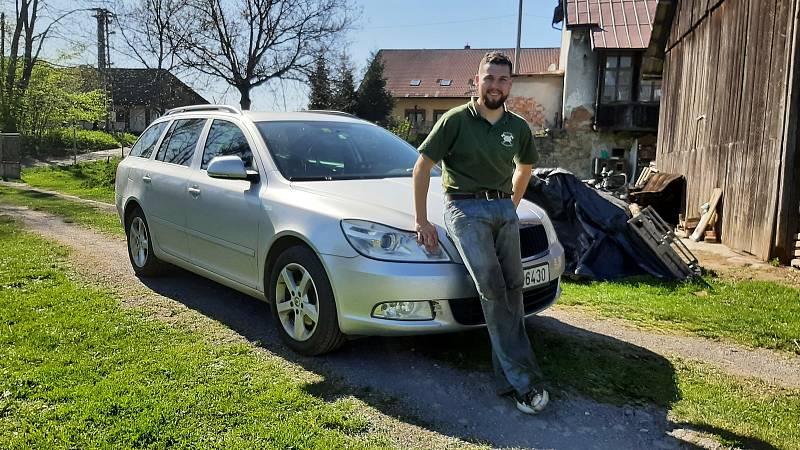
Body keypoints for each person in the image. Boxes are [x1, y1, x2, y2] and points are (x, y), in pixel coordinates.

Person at [412, 51, 548, 415]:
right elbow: (422, 166)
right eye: (488, 78)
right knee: (491, 287)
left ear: (510, 85)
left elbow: (526, 166)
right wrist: (422, 220)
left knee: (514, 287)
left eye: (502, 79)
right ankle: (525, 382)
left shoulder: (517, 127)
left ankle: (507, 377)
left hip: (502, 208)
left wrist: (511, 204)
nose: (494, 85)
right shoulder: (455, 120)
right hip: (464, 208)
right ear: (476, 81)